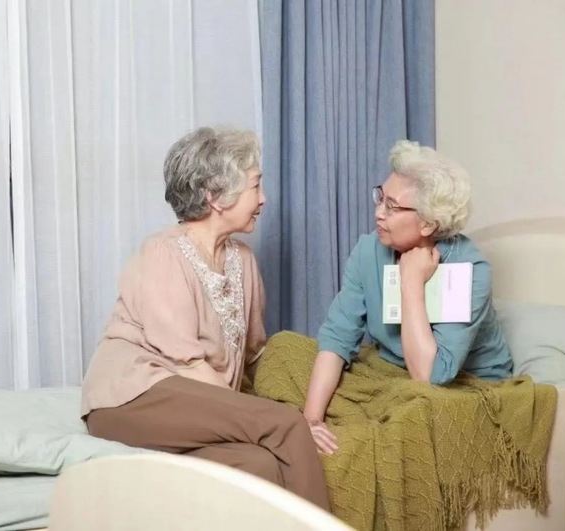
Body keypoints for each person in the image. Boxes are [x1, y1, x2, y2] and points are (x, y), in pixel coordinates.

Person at [81, 126, 330, 511]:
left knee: (259, 464)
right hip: (131, 400)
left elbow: (254, 354)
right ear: (215, 196)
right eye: (255, 186)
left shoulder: (243, 260)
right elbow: (188, 364)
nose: (263, 199)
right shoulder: (162, 254)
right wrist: (273, 419)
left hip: (195, 407)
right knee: (286, 424)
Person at [303, 140, 513, 455]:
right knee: (286, 350)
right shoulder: (368, 250)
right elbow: (337, 337)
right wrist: (311, 421)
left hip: (463, 386)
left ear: (428, 222)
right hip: (394, 372)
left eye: (392, 206)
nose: (378, 213)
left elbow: (430, 377)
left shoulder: (468, 268)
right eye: (380, 198)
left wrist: (411, 280)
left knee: (413, 414)